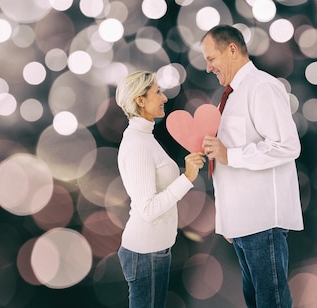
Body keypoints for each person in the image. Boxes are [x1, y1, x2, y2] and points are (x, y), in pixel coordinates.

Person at [200, 25, 304, 308]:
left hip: (261, 221)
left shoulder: (262, 87)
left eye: (211, 58)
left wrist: (229, 155)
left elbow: (287, 145)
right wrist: (229, 218)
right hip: (243, 222)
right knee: (257, 301)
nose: (208, 67)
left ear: (232, 50)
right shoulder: (232, 95)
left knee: (271, 302)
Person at [115, 70, 205, 308]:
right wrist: (187, 177)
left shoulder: (145, 137)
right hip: (145, 254)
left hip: (154, 251)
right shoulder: (137, 144)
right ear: (140, 100)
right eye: (158, 92)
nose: (164, 98)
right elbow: (148, 209)